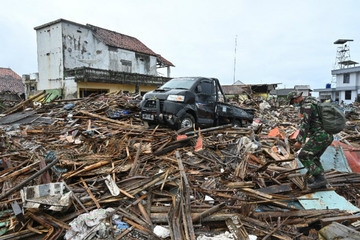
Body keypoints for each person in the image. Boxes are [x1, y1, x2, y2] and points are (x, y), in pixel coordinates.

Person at [287, 91, 333, 189]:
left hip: (320, 135)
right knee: (313, 157)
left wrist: (299, 141)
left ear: (296, 98)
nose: (294, 103)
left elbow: (305, 124)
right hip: (327, 135)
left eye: (293, 101)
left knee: (303, 155)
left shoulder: (306, 106)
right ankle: (320, 180)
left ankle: (320, 179)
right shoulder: (314, 103)